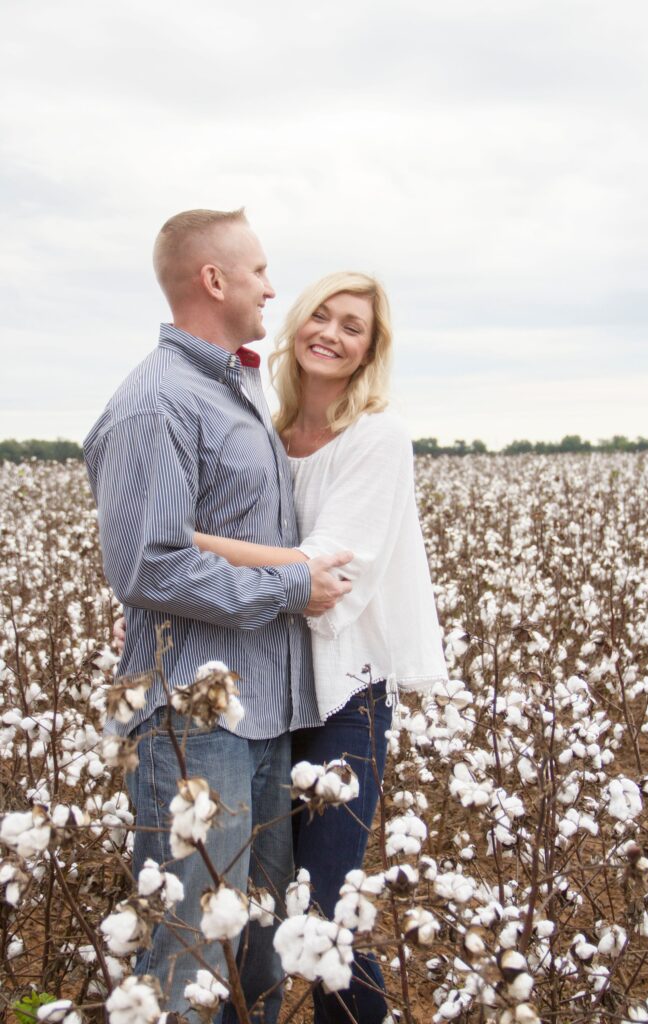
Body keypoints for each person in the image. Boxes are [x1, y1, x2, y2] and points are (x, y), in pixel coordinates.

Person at [83, 209, 352, 1023]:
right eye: (261, 270)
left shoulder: (233, 389)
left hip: (259, 719)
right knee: (192, 958)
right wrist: (287, 591)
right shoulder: (157, 403)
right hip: (191, 728)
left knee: (257, 957)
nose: (274, 287)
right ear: (214, 280)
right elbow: (148, 564)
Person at [194, 271, 448, 1024]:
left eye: (353, 328)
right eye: (322, 317)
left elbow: (332, 564)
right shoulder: (265, 437)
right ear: (296, 324)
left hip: (345, 696)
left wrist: (178, 551)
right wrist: (164, 597)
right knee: (259, 904)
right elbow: (266, 567)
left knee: (326, 903)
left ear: (370, 351)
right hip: (264, 695)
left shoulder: (378, 436)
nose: (331, 335)